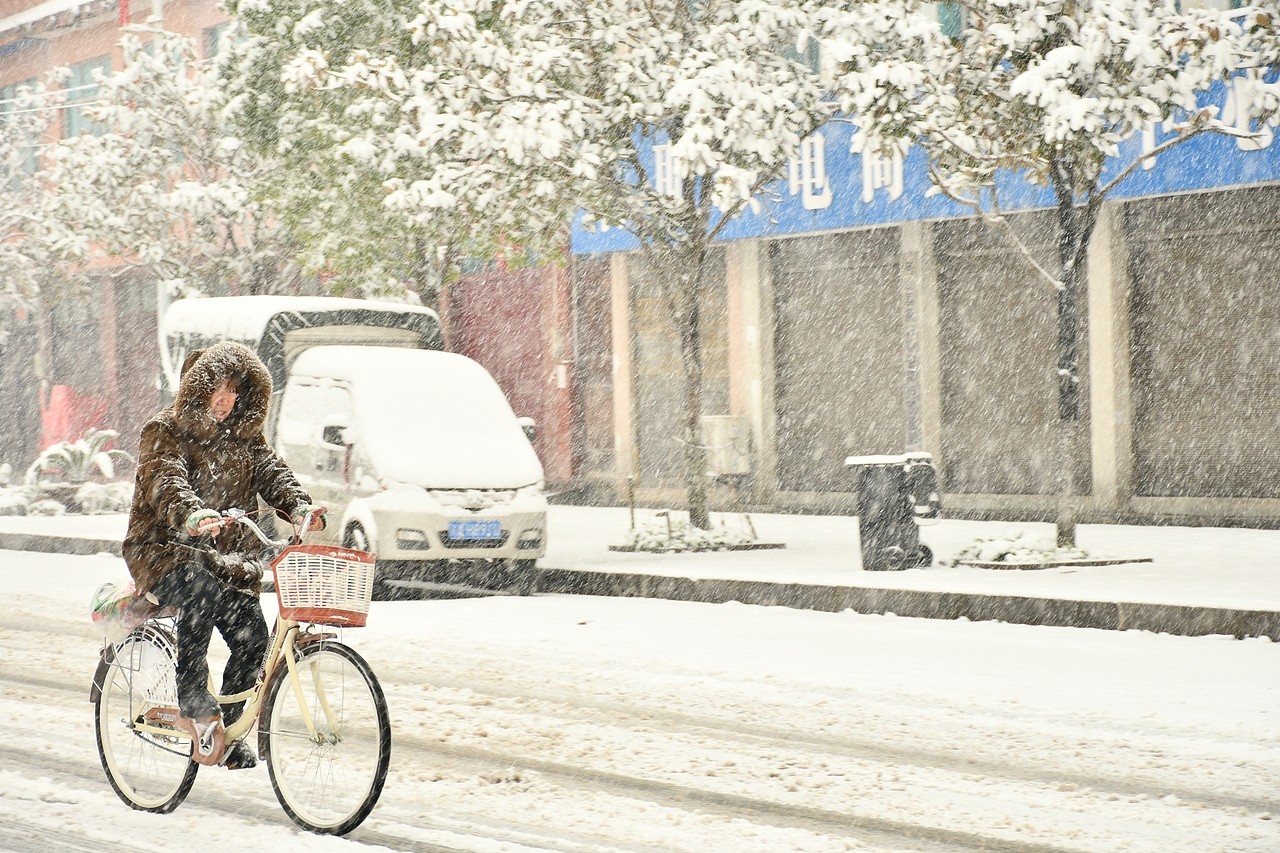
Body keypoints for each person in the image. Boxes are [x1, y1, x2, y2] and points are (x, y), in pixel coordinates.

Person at [123, 341, 325, 769]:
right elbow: (165, 481)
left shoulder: (246, 438)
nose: (227, 400)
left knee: (254, 640)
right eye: (218, 388)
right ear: (196, 390)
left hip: (227, 561)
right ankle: (194, 699)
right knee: (200, 588)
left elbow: (272, 473)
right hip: (165, 553)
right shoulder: (164, 430)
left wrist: (300, 506)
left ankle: (225, 733)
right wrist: (192, 514)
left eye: (235, 390)